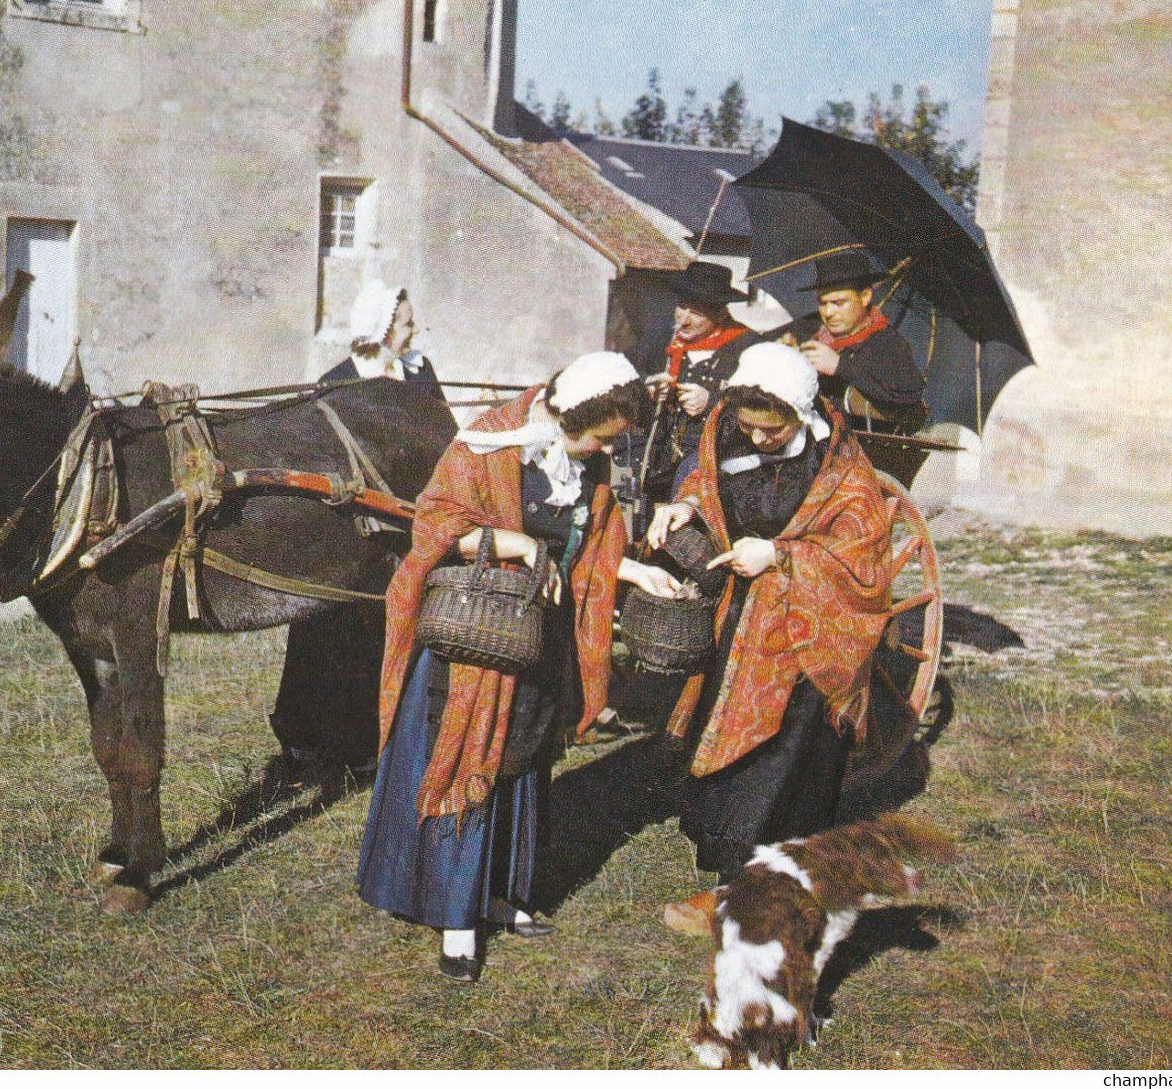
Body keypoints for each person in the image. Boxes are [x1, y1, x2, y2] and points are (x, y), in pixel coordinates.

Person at [356, 351, 682, 982]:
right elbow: (437, 526)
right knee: (469, 757)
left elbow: (587, 550)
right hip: (474, 643)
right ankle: (455, 917)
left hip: (534, 640)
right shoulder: (489, 444)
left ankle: (496, 893)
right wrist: (518, 543)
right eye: (598, 436)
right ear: (565, 415)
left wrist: (639, 571)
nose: (601, 451)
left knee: (519, 761)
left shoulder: (592, 466)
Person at [646, 342, 895, 886]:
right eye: (749, 427)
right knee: (726, 742)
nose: (756, 438)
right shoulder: (727, 428)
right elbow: (704, 479)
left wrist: (780, 555)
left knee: (782, 760)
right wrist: (684, 505)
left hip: (805, 638)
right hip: (738, 623)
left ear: (800, 416)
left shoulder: (839, 471)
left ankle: (778, 876)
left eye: (771, 432)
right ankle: (732, 875)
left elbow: (862, 557)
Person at [270, 282, 448, 768]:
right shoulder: (339, 381)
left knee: (383, 634)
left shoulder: (419, 375)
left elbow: (442, 440)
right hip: (342, 534)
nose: (415, 331)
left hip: (400, 531)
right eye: (407, 323)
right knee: (324, 634)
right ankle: (305, 738)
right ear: (383, 326)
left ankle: (369, 740)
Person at [642, 260, 765, 494]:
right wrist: (648, 387)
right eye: (681, 306)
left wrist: (713, 401)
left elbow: (763, 404)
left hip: (713, 468)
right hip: (657, 462)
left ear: (720, 314)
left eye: (696, 312)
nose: (683, 319)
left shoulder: (748, 347)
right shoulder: (663, 341)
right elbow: (628, 375)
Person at [794, 251, 927, 433]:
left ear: (865, 297)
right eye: (823, 303)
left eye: (838, 303)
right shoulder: (815, 335)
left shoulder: (887, 343)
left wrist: (841, 367)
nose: (828, 312)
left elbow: (908, 398)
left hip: (866, 451)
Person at [320, 280, 442, 398]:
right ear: (383, 335)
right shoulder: (334, 385)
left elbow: (442, 418)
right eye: (408, 324)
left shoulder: (421, 370)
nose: (416, 330)